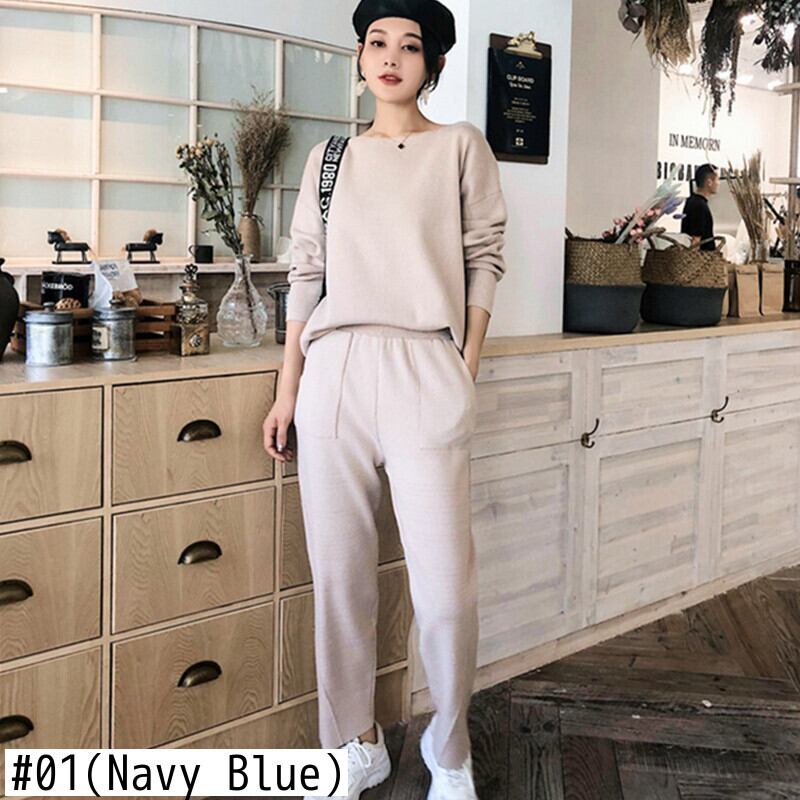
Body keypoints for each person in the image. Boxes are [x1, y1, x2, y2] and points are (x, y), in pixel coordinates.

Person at [261, 0, 508, 797]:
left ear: (432, 63)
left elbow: (484, 258)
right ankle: (355, 743)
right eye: (377, 42)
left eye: (410, 45)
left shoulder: (460, 146)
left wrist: (464, 365)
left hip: (424, 367)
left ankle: (449, 749)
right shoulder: (330, 159)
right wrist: (288, 391)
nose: (391, 56)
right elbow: (306, 274)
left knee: (446, 591)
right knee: (340, 580)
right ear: (361, 57)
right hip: (333, 374)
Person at [680, 163, 719, 251]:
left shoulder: (692, 201)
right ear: (709, 182)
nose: (718, 183)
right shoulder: (699, 206)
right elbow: (695, 241)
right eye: (717, 180)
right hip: (702, 257)